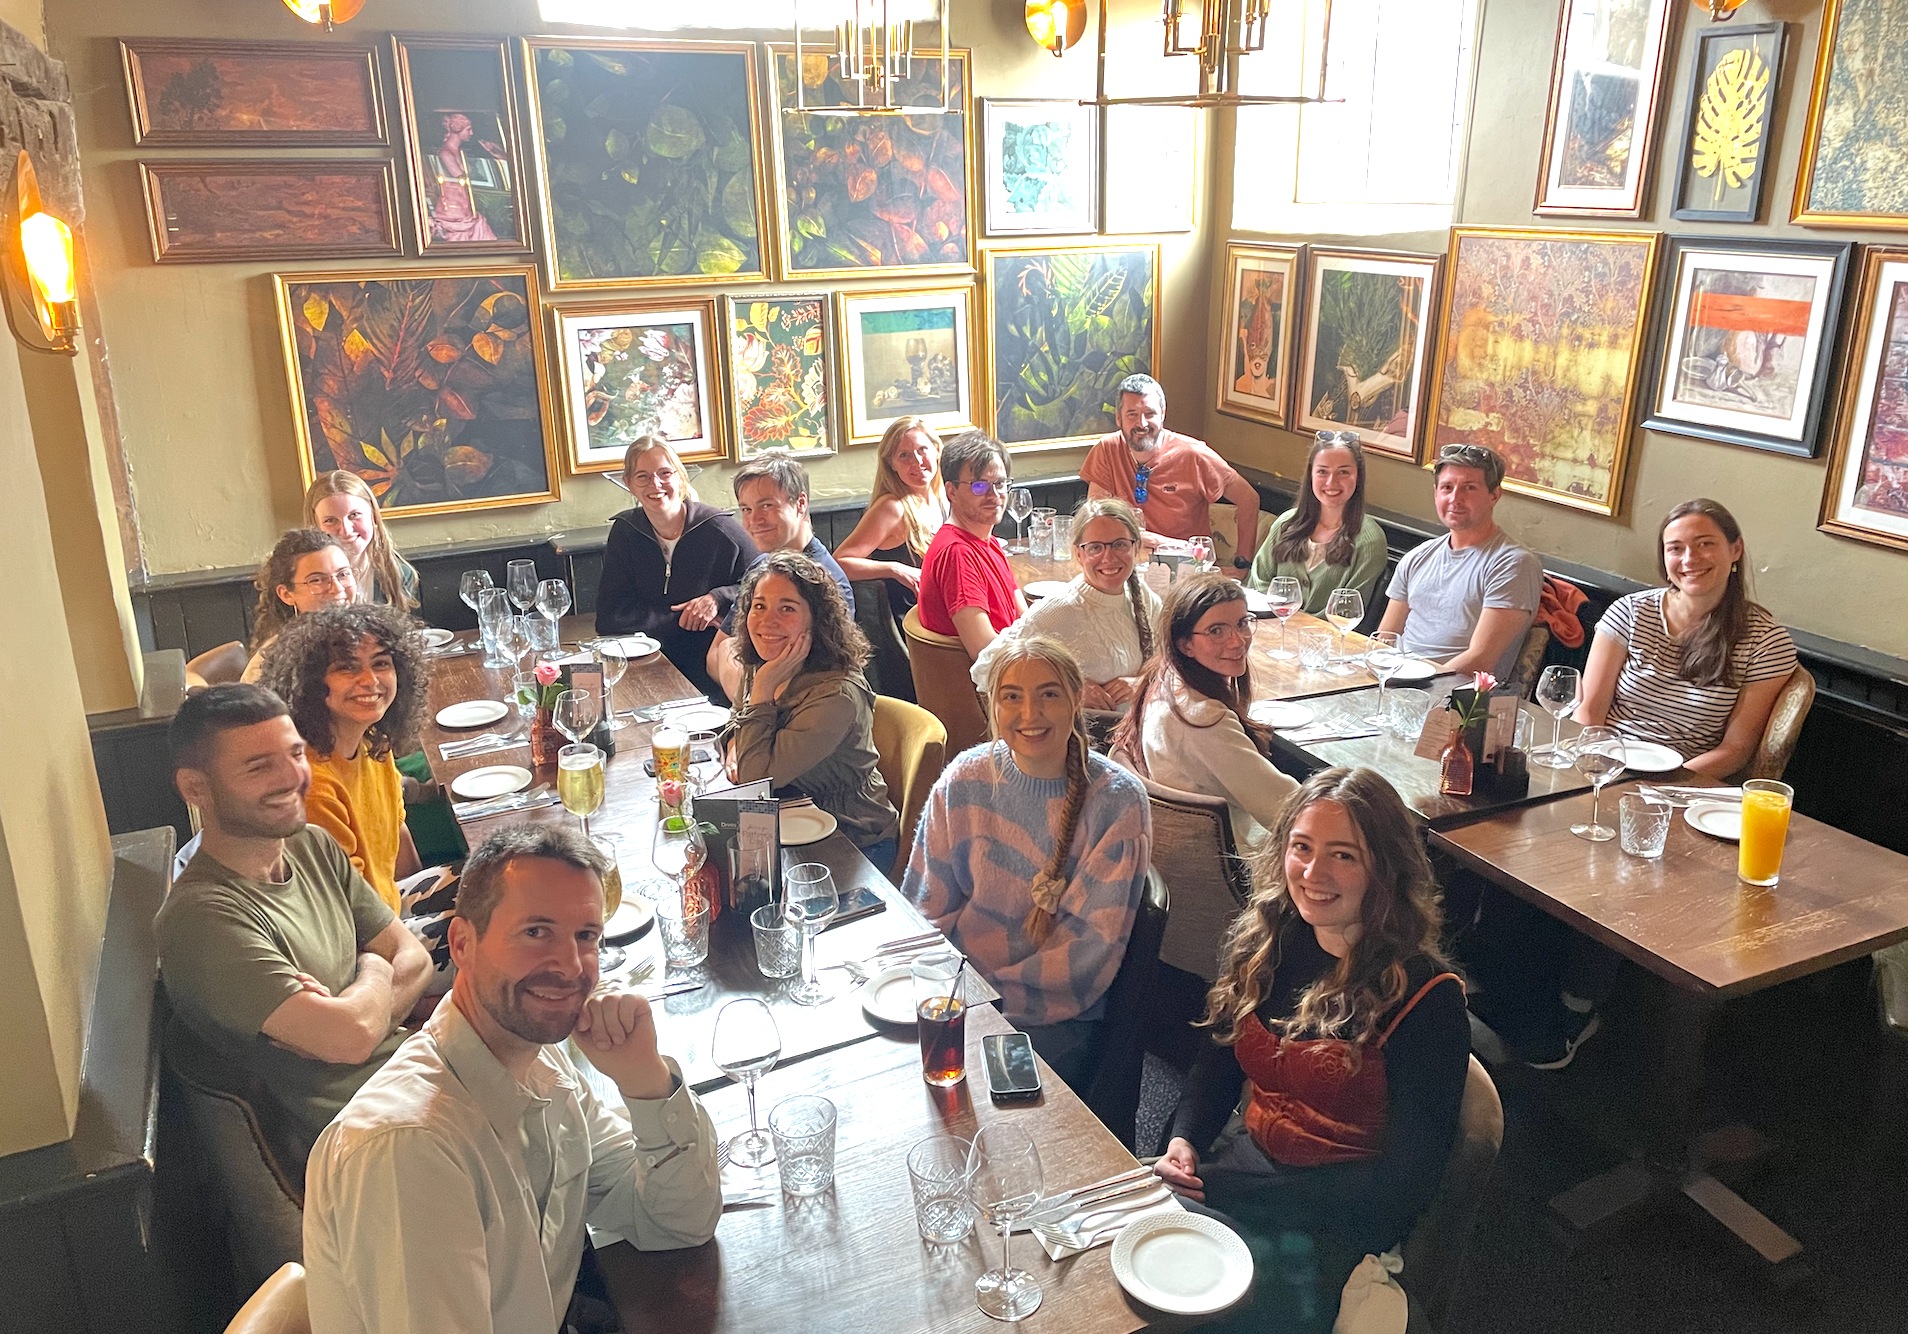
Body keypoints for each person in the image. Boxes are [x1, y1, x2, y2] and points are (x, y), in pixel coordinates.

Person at [303, 824, 721, 1333]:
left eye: (585, 936)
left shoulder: (543, 1066)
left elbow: (680, 1222)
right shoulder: (409, 1151)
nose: (570, 966)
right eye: (536, 932)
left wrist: (647, 1082)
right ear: (462, 944)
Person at [1155, 767, 1469, 1333]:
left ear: (1385, 868)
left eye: (1343, 855)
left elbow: (1405, 1183)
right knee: (1131, 1239)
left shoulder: (1427, 999)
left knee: (1184, 1293)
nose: (1313, 873)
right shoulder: (1265, 943)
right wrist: (1185, 1139)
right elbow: (1216, 1063)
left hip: (1335, 1220)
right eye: (1302, 847)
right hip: (1249, 1170)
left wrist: (1232, 1193)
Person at [155, 684, 432, 1187]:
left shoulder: (309, 844)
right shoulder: (201, 920)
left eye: (296, 754)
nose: (292, 777)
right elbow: (349, 1037)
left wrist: (360, 1007)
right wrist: (374, 966)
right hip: (367, 1144)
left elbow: (415, 958)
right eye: (259, 767)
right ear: (195, 788)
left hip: (415, 1076)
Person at [905, 636, 1151, 1087]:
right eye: (1012, 696)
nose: (1030, 714)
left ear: (1076, 698)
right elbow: (925, 907)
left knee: (985, 1111)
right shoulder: (963, 780)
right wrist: (937, 990)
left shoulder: (1116, 802)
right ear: (992, 706)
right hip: (959, 996)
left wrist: (986, 1005)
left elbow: (1085, 953)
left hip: (1049, 1015)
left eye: (1049, 694)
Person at [1576, 498, 1796, 779]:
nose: (1690, 559)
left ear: (1735, 549)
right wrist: (1596, 770)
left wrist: (1664, 785)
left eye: (1705, 544)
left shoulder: (1766, 641)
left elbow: (1736, 750)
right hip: (1605, 766)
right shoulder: (1629, 612)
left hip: (1685, 782)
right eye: (1676, 548)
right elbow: (1588, 713)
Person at [729, 551, 900, 871]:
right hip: (786, 819)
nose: (767, 621)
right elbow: (737, 722)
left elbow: (755, 781)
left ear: (816, 619)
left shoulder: (836, 695)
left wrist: (763, 691)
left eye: (787, 608)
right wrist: (734, 746)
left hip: (852, 837)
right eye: (759, 605)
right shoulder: (766, 663)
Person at [259, 605, 429, 914]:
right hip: (363, 935)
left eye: (381, 663)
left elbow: (398, 834)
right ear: (310, 682)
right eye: (347, 668)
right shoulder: (313, 785)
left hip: (391, 909)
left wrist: (420, 905)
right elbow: (352, 910)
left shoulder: (373, 744)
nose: (370, 680)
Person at [1113, 572, 1299, 851]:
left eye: (1242, 623)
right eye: (1216, 631)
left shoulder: (1164, 680)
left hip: (1194, 849)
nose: (1238, 641)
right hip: (1235, 856)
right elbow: (1284, 810)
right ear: (1185, 644)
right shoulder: (1203, 722)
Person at [594, 435, 753, 699]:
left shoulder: (719, 529)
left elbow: (763, 581)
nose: (655, 484)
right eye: (643, 477)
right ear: (629, 484)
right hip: (647, 667)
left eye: (665, 473)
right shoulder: (625, 532)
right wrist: (683, 619)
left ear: (680, 477)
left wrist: (718, 598)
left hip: (713, 667)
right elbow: (609, 617)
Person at [970, 499, 1161, 712]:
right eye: (1095, 548)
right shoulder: (1059, 610)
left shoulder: (1142, 595)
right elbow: (985, 667)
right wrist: (1067, 687)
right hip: (1089, 731)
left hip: (1140, 725)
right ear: (1079, 554)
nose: (1108, 557)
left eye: (1120, 544)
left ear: (1136, 547)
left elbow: (1172, 663)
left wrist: (1141, 683)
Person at [1376, 442, 1543, 681]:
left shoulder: (1513, 565)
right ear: (1436, 493)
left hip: (1454, 694)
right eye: (1447, 487)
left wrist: (1414, 685)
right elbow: (1385, 638)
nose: (1455, 498)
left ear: (1494, 495)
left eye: (1469, 488)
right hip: (1396, 682)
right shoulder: (1417, 557)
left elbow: (1480, 659)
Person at [706, 451, 855, 700]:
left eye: (767, 506)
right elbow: (713, 656)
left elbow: (805, 686)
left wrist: (735, 666)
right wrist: (750, 689)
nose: (754, 520)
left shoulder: (827, 582)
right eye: (746, 509)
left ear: (800, 503)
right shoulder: (762, 567)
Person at [1082, 373, 1261, 574]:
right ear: (1118, 418)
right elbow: (1096, 518)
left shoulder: (1193, 455)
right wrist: (1153, 540)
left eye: (1149, 413)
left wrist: (1242, 566)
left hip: (1186, 570)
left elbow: (1248, 498)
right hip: (1125, 567)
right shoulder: (1107, 450)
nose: (1142, 423)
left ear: (1163, 414)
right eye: (1132, 414)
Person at [1248, 431, 1389, 614]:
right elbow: (1257, 584)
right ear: (1311, 475)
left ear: (1358, 477)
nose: (1332, 482)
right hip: (1269, 626)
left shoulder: (1370, 541)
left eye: (1343, 472)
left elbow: (1346, 612)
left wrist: (1295, 623)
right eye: (1322, 471)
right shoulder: (1285, 523)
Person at [918, 430, 1027, 660]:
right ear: (952, 491)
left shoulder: (989, 542)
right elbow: (985, 650)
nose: (994, 495)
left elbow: (1025, 618)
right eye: (980, 486)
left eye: (1000, 483)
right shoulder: (957, 553)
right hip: (988, 679)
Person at [833, 416, 948, 629]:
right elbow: (840, 562)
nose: (917, 461)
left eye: (922, 449)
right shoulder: (893, 507)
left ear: (937, 450)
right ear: (891, 464)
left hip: (937, 614)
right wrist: (895, 569)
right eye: (904, 455)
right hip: (910, 626)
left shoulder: (941, 498)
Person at [242, 528, 358, 684]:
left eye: (343, 574)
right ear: (286, 594)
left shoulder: (371, 639)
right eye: (317, 580)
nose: (337, 588)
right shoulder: (268, 665)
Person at [303, 471, 420, 612]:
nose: (346, 530)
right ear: (315, 526)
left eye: (354, 515)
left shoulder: (398, 574)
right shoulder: (301, 583)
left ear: (373, 517)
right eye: (330, 520)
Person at [426, 111, 500, 243]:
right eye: (468, 129)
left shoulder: (460, 153)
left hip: (465, 205)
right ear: (457, 130)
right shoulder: (446, 153)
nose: (471, 133)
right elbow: (461, 177)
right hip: (453, 208)